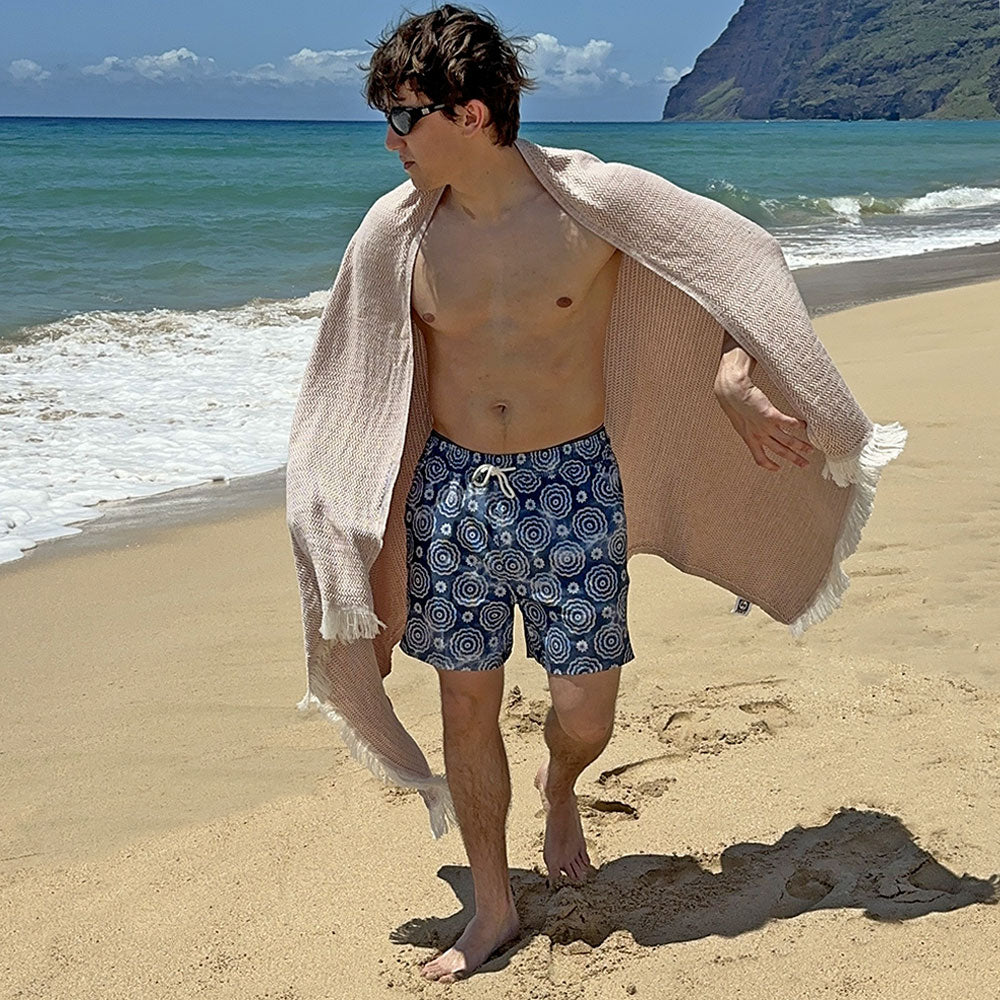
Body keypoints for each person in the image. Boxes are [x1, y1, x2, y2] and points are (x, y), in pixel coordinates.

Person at [360, 3, 816, 982]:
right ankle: (491, 907)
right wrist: (358, 533)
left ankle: (560, 784)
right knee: (466, 703)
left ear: (470, 113)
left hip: (571, 484)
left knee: (584, 714)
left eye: (403, 118)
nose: (390, 140)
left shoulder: (593, 203)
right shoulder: (398, 232)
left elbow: (739, 260)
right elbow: (358, 383)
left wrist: (733, 376)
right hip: (452, 492)